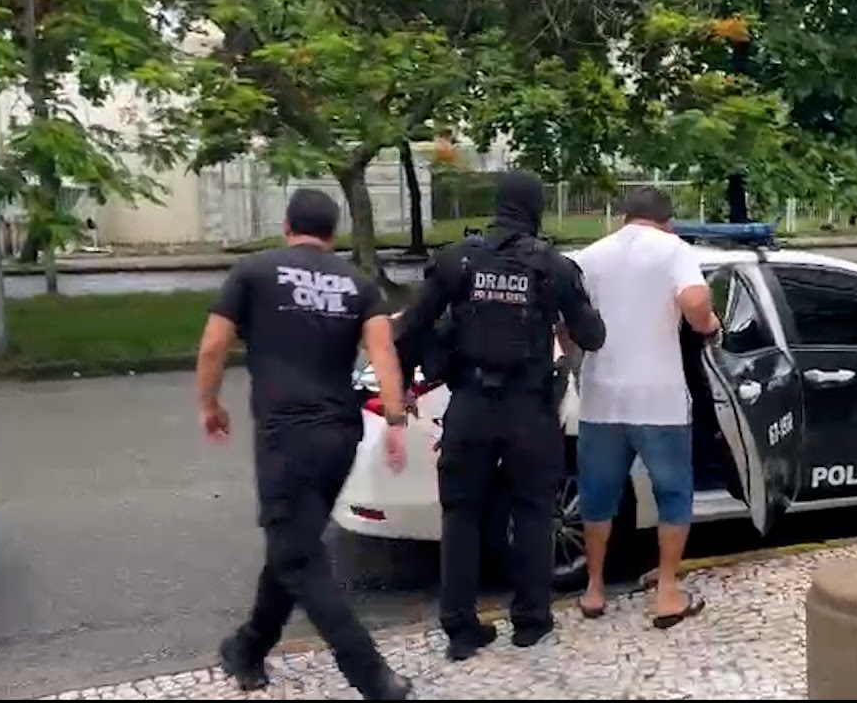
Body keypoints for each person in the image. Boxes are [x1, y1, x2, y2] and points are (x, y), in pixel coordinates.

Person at [194, 188, 413, 700]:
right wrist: (396, 421)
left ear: (287, 226)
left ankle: (372, 677)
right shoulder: (359, 284)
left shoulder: (253, 271)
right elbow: (383, 354)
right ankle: (248, 648)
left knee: (297, 558)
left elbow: (213, 346)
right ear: (333, 234)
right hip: (340, 435)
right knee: (294, 543)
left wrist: (209, 405)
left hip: (286, 436)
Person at [392, 169, 606, 662]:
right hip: (529, 410)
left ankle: (460, 628)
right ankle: (530, 620)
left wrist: (400, 385)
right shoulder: (553, 266)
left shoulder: (459, 260)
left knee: (461, 514)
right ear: (536, 208)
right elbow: (593, 336)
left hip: (469, 406)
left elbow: (411, 327)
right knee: (532, 512)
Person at [570, 185, 720, 629]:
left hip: (601, 396)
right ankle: (667, 592)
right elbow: (694, 302)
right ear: (667, 221)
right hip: (659, 399)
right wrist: (709, 324)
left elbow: (567, 320)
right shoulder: (674, 250)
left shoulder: (589, 256)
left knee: (598, 496)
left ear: (624, 217)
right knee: (672, 493)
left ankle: (594, 588)